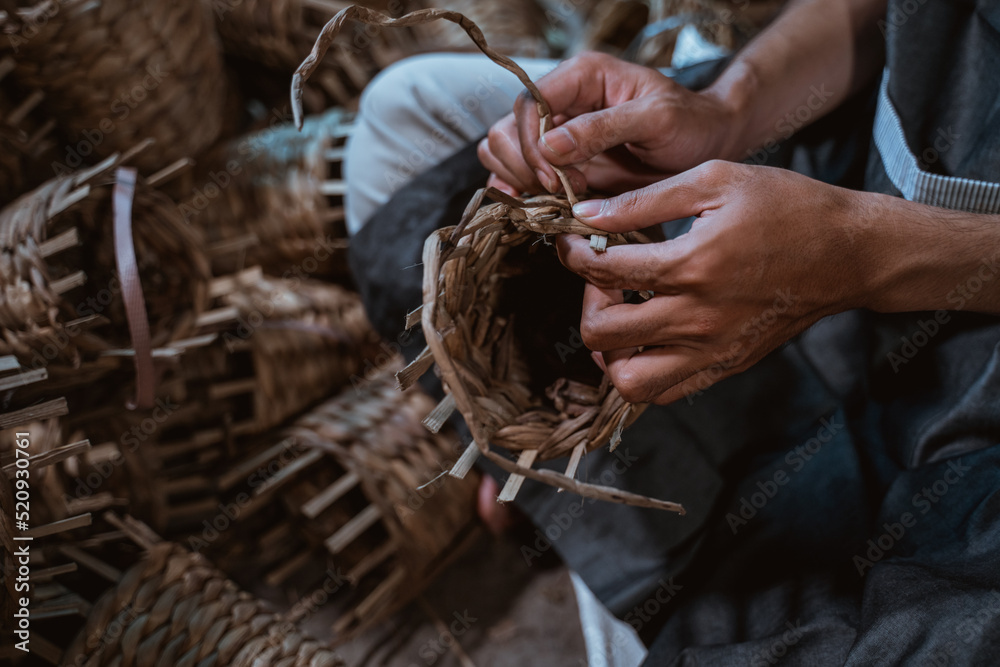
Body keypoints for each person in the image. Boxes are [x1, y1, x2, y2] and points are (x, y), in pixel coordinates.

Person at [346, 0, 1000, 663]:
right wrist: (730, 112)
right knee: (404, 116)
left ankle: (607, 559)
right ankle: (604, 543)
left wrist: (864, 256)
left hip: (975, 429)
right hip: (825, 169)